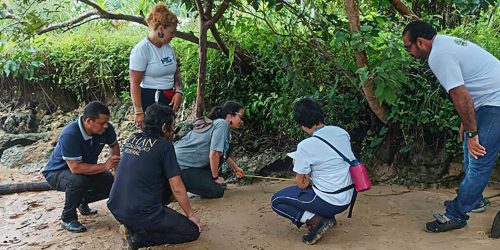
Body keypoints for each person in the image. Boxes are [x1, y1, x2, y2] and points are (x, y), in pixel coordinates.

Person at [402, 20, 500, 233]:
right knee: (469, 151)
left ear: (420, 42)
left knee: (479, 158)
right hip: (487, 101)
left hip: (496, 102)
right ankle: (475, 200)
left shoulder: (439, 55)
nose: (408, 52)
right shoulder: (444, 44)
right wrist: (467, 124)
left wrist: (473, 131)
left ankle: (456, 215)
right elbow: (468, 88)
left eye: (408, 47)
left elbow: (459, 94)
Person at [108, 103, 202, 249]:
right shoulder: (164, 146)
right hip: (139, 212)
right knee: (191, 231)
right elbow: (176, 187)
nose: (173, 132)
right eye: (172, 127)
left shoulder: (132, 138)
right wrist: (190, 215)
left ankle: (134, 225)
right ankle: (137, 238)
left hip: (116, 207)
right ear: (164, 127)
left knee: (163, 183)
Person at [271, 97, 355, 245]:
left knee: (277, 201)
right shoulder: (341, 132)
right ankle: (326, 215)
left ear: (301, 123)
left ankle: (317, 220)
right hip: (348, 196)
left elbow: (302, 184)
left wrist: (299, 165)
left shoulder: (306, 145)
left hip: (330, 200)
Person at [42, 101, 120, 233]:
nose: (106, 126)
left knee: (112, 183)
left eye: (107, 122)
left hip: (84, 168)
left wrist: (116, 172)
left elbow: (114, 145)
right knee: (78, 181)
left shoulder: (106, 128)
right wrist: (105, 165)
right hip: (57, 172)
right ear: (89, 121)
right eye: (102, 123)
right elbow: (76, 168)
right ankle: (68, 218)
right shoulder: (70, 134)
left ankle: (81, 201)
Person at [175, 101, 245, 198]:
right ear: (230, 116)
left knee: (228, 148)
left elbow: (222, 152)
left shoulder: (221, 126)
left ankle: (201, 182)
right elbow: (214, 154)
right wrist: (215, 178)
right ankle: (187, 186)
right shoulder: (222, 124)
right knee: (217, 191)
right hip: (181, 167)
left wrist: (236, 169)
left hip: (190, 166)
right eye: (241, 117)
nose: (242, 121)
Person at [130, 2, 184, 129]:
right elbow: (134, 83)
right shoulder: (142, 50)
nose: (173, 36)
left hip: (168, 98)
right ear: (160, 30)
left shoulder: (168, 48)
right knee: (153, 136)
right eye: (171, 32)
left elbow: (176, 73)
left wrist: (178, 91)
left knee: (168, 133)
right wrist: (138, 111)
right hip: (150, 99)